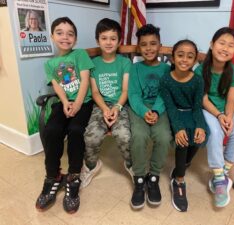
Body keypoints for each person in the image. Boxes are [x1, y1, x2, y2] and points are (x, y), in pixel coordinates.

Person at [35, 17, 94, 214]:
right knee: (52, 130)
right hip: (64, 103)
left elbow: (84, 80)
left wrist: (77, 103)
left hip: (83, 102)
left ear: (75, 39)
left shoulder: (80, 55)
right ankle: (53, 176)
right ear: (52, 36)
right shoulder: (50, 63)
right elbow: (58, 86)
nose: (65, 37)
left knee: (75, 130)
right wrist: (66, 103)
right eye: (60, 32)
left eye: (70, 34)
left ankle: (74, 176)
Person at [194, 27, 234, 208]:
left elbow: (231, 99)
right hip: (207, 108)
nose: (225, 48)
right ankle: (218, 178)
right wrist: (218, 115)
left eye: (231, 45)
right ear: (212, 44)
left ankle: (223, 173)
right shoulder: (201, 70)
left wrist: (229, 116)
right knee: (215, 132)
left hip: (225, 110)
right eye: (221, 43)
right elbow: (201, 99)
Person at [81, 18, 132, 188]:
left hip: (121, 105)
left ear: (119, 41)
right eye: (104, 38)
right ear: (98, 40)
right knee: (91, 136)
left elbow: (125, 91)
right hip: (100, 105)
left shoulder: (125, 63)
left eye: (113, 38)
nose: (108, 42)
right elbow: (95, 92)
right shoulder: (93, 64)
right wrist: (104, 109)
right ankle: (91, 166)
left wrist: (116, 108)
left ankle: (131, 165)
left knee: (124, 135)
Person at [160, 39, 209, 212]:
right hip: (174, 114)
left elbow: (197, 107)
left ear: (195, 60)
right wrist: (179, 128)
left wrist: (201, 126)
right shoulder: (166, 80)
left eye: (190, 56)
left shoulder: (197, 80)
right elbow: (170, 107)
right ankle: (178, 180)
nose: (184, 60)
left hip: (192, 112)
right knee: (183, 138)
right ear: (172, 58)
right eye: (180, 55)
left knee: (201, 135)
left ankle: (185, 163)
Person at [128, 24, 173, 209]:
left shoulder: (166, 69)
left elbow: (165, 94)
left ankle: (153, 177)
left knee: (164, 137)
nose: (149, 48)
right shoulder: (135, 68)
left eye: (153, 44)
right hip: (139, 108)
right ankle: (139, 178)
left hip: (160, 109)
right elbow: (133, 94)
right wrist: (143, 111)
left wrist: (155, 111)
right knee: (138, 136)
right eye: (144, 44)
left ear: (160, 46)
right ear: (139, 47)